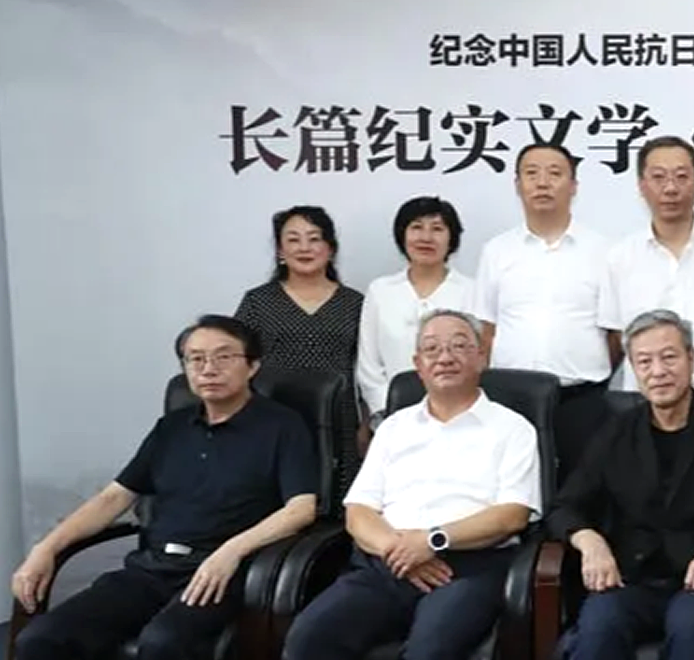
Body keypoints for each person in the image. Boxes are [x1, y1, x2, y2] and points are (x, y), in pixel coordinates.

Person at [11, 315, 318, 660]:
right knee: (41, 638)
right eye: (196, 358)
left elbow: (301, 508)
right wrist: (46, 548)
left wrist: (230, 552)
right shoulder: (171, 428)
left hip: (223, 573)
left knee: (163, 644)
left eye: (223, 357)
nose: (209, 369)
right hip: (151, 568)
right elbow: (114, 497)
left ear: (252, 366)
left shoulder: (282, 426)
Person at [284, 309, 541, 658]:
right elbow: (359, 512)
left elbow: (512, 515)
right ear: (418, 365)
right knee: (309, 639)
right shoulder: (393, 427)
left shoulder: (513, 428)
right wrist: (402, 551)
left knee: (429, 652)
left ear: (482, 357)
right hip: (386, 562)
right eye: (432, 349)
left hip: (469, 567)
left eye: (459, 346)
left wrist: (431, 541)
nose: (445, 357)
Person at [549, 309, 694, 660]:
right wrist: (589, 541)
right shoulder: (616, 432)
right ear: (633, 370)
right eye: (644, 362)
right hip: (631, 580)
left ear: (692, 359)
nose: (658, 371)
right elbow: (565, 506)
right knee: (599, 627)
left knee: (693, 628)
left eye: (669, 357)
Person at [474, 143, 615, 483]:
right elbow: (488, 331)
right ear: (517, 185)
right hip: (510, 398)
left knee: (581, 491)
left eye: (555, 173)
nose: (542, 183)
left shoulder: (604, 251)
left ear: (574, 185)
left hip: (581, 399)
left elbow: (615, 333)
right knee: (513, 488)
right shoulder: (497, 251)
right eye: (531, 173)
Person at [599, 136, 694, 394]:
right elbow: (615, 335)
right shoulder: (620, 256)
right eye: (658, 177)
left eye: (681, 176)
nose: (670, 188)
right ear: (641, 186)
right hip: (640, 397)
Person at [234, 205, 365, 480]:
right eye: (293, 239)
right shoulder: (258, 302)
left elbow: (368, 369)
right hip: (271, 416)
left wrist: (366, 423)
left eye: (314, 238)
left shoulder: (355, 303)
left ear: (330, 249)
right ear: (280, 251)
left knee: (337, 492)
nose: (304, 248)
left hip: (338, 419)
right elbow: (236, 359)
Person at [357, 196, 474, 429]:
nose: (426, 238)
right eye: (416, 227)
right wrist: (388, 408)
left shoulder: (472, 291)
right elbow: (368, 364)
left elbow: (478, 360)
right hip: (391, 417)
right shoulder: (380, 290)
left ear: (452, 238)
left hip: (458, 415)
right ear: (402, 235)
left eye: (437, 229)